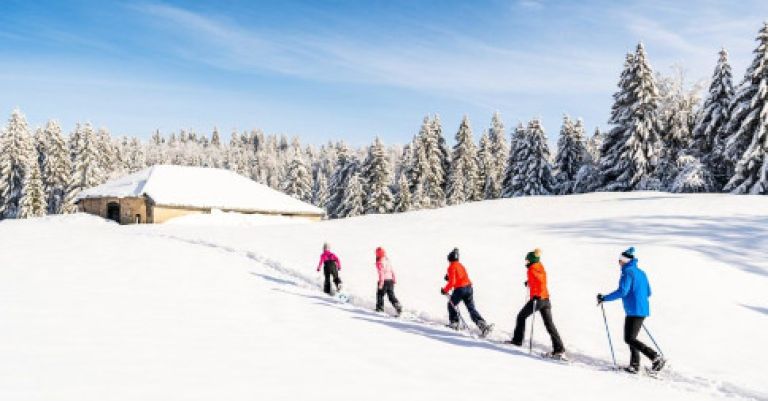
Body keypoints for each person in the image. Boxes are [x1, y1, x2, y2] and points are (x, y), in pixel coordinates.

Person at [597, 247, 666, 374]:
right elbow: (649, 292)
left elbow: (623, 291)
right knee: (631, 338)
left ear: (625, 261)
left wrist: (604, 298)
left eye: (620, 261)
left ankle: (655, 358)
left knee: (629, 338)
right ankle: (634, 365)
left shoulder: (627, 272)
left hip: (634, 310)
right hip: (641, 309)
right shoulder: (641, 272)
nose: (619, 263)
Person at [509, 249, 566, 358]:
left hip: (538, 300)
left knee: (521, 316)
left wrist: (537, 295)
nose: (525, 262)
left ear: (531, 260)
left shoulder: (532, 269)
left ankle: (517, 340)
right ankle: (559, 349)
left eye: (527, 260)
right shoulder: (539, 266)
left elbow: (540, 282)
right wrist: (529, 282)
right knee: (550, 325)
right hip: (546, 299)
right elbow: (540, 279)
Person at [440, 247, 493, 337]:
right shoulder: (460, 265)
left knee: (451, 305)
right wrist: (449, 277)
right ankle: (483, 325)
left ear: (450, 258)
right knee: (471, 309)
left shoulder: (451, 266)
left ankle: (454, 323)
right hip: (469, 288)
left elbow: (452, 282)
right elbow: (460, 277)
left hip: (460, 290)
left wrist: (445, 290)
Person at [375, 247, 402, 315]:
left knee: (380, 295)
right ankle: (397, 305)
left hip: (384, 281)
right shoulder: (387, 260)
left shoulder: (379, 262)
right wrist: (394, 279)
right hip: (390, 281)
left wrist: (381, 283)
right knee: (391, 296)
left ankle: (380, 308)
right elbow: (392, 271)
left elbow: (381, 273)